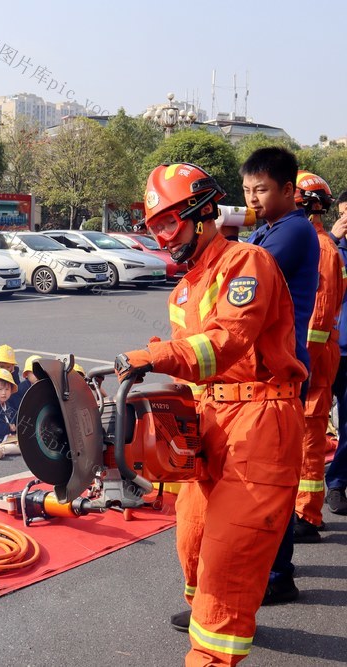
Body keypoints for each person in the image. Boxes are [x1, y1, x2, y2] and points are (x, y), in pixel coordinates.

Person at [117, 161, 306, 665]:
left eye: (169, 225)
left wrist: (154, 357)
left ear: (203, 217)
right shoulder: (184, 288)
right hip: (211, 423)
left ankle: (214, 646)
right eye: (154, 227)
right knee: (194, 539)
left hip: (260, 425)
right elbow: (189, 366)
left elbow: (226, 342)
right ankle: (208, 609)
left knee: (228, 562)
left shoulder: (247, 263)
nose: (162, 236)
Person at [242, 147, 319, 604]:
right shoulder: (267, 228)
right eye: (248, 189)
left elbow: (242, 271)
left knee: (270, 480)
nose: (253, 198)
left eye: (262, 190)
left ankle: (276, 576)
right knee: (262, 477)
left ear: (289, 191)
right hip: (267, 367)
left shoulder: (291, 231)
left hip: (281, 369)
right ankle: (272, 570)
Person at [290, 171, 345, 542]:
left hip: (312, 361)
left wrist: (297, 367)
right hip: (311, 359)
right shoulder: (314, 244)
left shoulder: (321, 249)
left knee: (310, 436)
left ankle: (308, 515)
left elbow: (318, 319)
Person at [327, 190, 347, 515]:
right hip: (324, 351)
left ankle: (337, 484)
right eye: (344, 214)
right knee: (310, 426)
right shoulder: (328, 249)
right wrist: (333, 239)